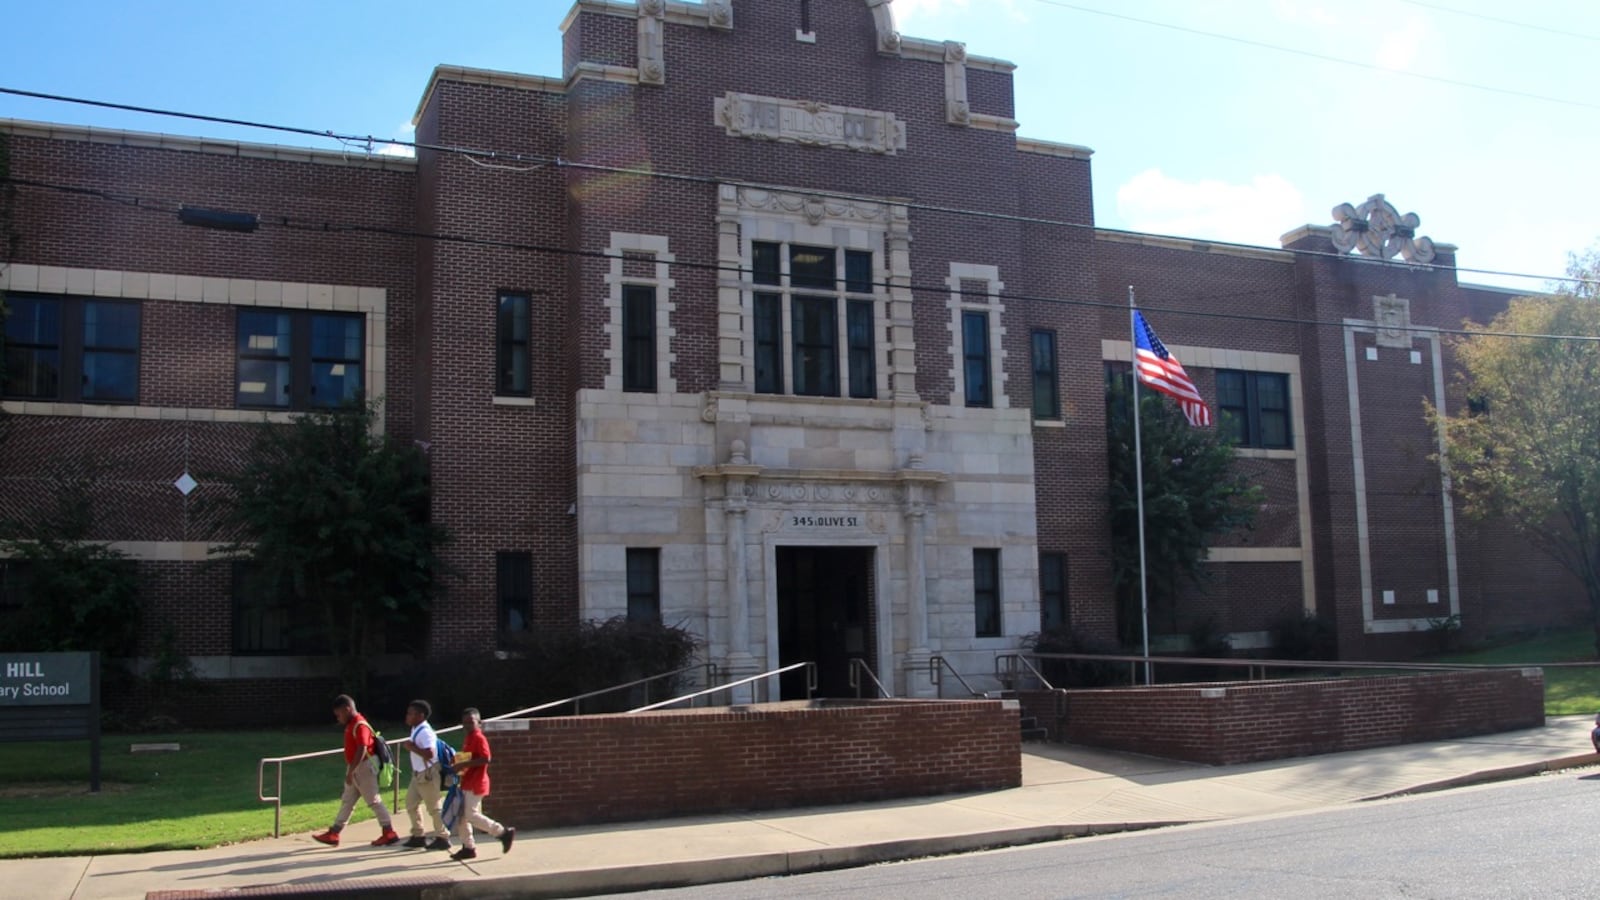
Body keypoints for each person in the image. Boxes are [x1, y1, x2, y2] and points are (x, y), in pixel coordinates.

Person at [312, 694, 400, 847]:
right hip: (357, 768)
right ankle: (334, 833)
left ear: (347, 709)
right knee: (348, 801)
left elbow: (362, 748)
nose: (338, 718)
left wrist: (351, 771)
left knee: (373, 800)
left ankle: (389, 832)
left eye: (339, 714)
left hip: (363, 768)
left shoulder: (359, 724)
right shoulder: (352, 724)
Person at [450, 707, 515, 861]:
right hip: (467, 782)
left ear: (479, 723)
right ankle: (468, 847)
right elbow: (470, 758)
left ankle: (502, 832)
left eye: (471, 722)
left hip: (477, 783)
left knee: (470, 814)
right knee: (461, 817)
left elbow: (486, 758)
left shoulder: (479, 738)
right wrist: (458, 762)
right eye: (465, 722)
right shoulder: (469, 738)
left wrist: (462, 765)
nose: (467, 725)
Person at [400, 699, 451, 850]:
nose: (407, 716)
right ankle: (418, 835)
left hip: (428, 774)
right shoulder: (416, 728)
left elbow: (430, 753)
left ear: (421, 715)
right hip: (418, 775)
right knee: (410, 803)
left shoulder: (425, 732)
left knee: (434, 808)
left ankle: (443, 837)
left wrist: (412, 747)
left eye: (411, 714)